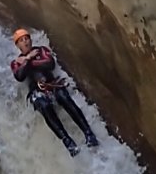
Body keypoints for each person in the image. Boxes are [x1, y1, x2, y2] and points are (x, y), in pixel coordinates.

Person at [10, 28, 99, 157]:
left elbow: (49, 64)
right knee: (44, 106)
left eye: (27, 38)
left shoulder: (41, 50)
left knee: (63, 97)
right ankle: (68, 142)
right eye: (21, 40)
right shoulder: (15, 63)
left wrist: (28, 61)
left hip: (53, 84)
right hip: (37, 92)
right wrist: (28, 59)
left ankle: (89, 134)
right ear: (17, 45)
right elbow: (19, 75)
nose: (25, 42)